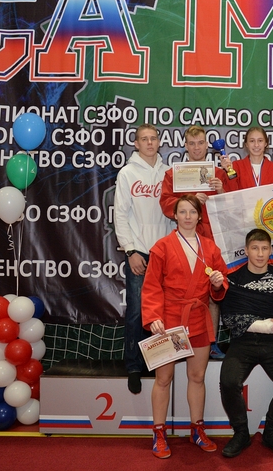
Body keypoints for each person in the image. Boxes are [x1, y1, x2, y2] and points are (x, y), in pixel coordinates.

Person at [141, 195, 230, 459]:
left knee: (197, 377)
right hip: (169, 319)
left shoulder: (210, 247)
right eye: (183, 212)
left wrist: (218, 284)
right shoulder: (162, 247)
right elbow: (151, 285)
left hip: (198, 317)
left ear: (200, 216)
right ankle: (159, 432)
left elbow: (221, 284)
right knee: (163, 379)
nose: (188, 216)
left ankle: (197, 429)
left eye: (192, 212)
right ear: (175, 215)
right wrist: (153, 316)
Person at [219, 229, 273, 458]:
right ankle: (241, 433)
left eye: (264, 248)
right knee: (228, 381)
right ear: (246, 251)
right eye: (255, 248)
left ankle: (271, 432)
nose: (260, 253)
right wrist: (260, 325)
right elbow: (229, 319)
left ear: (270, 250)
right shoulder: (233, 280)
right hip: (243, 342)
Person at [159, 124, 230, 359]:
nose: (197, 147)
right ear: (185, 146)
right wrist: (188, 200)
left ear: (207, 145)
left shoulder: (217, 174)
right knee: (181, 292)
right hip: (184, 241)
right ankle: (180, 341)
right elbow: (166, 204)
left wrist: (221, 191)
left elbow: (233, 207)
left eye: (200, 143)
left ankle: (212, 341)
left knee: (213, 290)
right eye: (192, 143)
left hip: (212, 241)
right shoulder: (173, 174)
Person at [113, 123, 173, 394]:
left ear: (159, 142)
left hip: (164, 254)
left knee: (162, 312)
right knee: (137, 311)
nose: (149, 143)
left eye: (153, 138)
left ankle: (156, 361)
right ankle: (134, 366)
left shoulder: (168, 173)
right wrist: (130, 250)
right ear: (136, 144)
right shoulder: (127, 173)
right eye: (144, 139)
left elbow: (175, 213)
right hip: (139, 252)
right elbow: (120, 213)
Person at [220, 126, 273, 190]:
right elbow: (231, 193)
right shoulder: (236, 166)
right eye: (252, 141)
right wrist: (229, 171)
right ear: (246, 144)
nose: (256, 145)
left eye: (260, 141)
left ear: (265, 143)